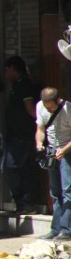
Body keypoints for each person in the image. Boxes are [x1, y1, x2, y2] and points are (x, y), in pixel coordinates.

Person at [34, 87, 71, 240]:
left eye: (51, 108)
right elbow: (40, 129)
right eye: (46, 107)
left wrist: (65, 150)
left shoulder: (68, 109)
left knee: (67, 190)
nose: (49, 110)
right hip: (51, 150)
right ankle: (55, 228)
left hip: (66, 151)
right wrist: (39, 143)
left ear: (57, 100)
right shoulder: (40, 106)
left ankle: (66, 229)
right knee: (55, 192)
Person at [4, 56, 39, 214]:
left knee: (11, 167)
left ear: (13, 68)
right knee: (22, 169)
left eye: (7, 70)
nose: (6, 74)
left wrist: (42, 123)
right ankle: (23, 203)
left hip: (23, 136)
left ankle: (26, 201)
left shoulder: (24, 84)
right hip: (16, 135)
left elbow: (31, 110)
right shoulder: (17, 85)